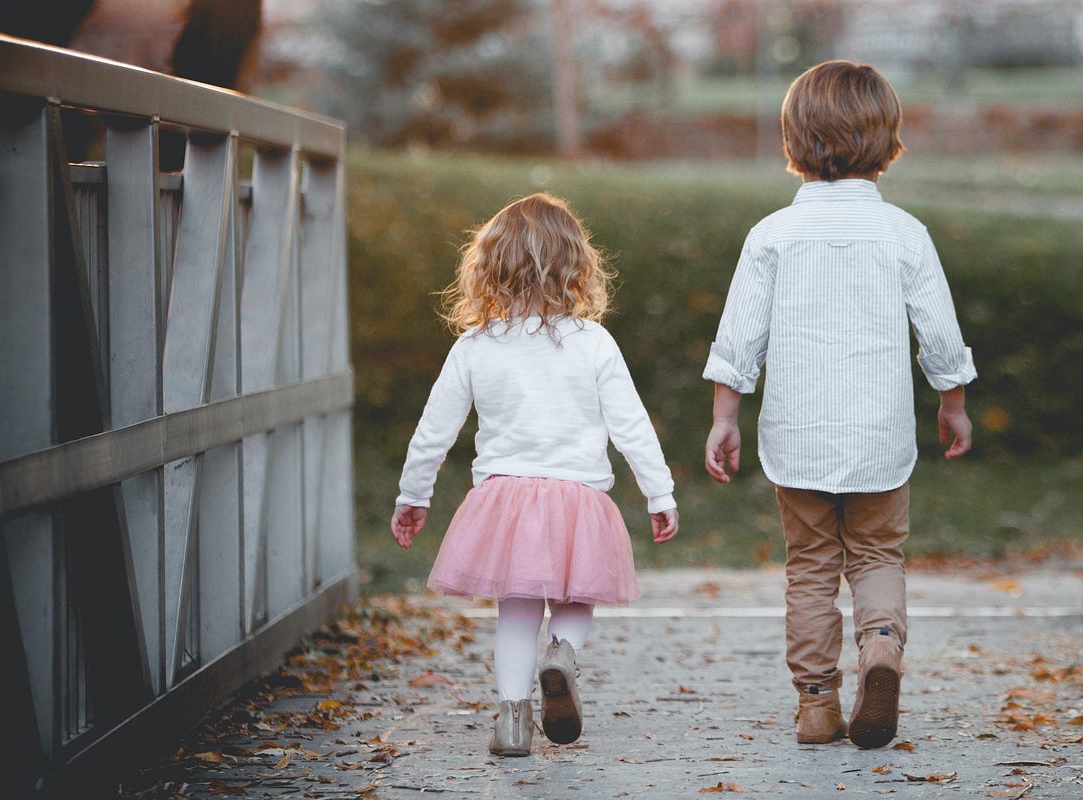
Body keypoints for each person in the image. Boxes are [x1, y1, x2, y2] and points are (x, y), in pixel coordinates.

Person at [702, 60, 976, 749]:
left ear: (794, 140)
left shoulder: (771, 236)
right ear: (887, 140)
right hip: (880, 438)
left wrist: (725, 417)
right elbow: (940, 334)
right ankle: (880, 648)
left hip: (798, 438)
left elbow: (739, 338)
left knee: (812, 567)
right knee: (879, 554)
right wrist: (954, 403)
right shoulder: (904, 234)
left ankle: (817, 704)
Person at [392, 193, 679, 757]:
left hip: (505, 502)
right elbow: (632, 426)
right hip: (578, 498)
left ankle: (512, 723)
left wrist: (413, 493)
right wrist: (659, 491)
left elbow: (435, 429)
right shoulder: (594, 342)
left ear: (488, 267)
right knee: (576, 598)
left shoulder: (475, 346)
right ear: (576, 264)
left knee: (516, 611)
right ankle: (563, 656)